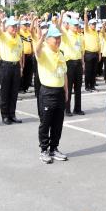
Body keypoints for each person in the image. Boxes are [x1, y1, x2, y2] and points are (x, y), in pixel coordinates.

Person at [32, 18, 69, 163]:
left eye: (59, 38)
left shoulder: (60, 54)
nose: (58, 40)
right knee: (45, 123)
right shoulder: (44, 52)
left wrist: (66, 90)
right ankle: (44, 150)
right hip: (47, 92)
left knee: (58, 123)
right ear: (48, 40)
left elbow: (64, 73)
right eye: (55, 38)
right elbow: (36, 50)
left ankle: (54, 148)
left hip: (59, 92)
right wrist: (41, 37)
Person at [0, 10, 24, 125]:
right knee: (5, 92)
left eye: (16, 26)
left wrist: (21, 67)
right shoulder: (4, 36)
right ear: (7, 27)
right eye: (12, 26)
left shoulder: (18, 38)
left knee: (14, 92)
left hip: (16, 66)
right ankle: (5, 115)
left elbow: (19, 53)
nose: (15, 28)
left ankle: (12, 114)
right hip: (6, 66)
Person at [58, 15, 84, 116]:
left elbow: (81, 51)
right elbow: (59, 27)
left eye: (77, 25)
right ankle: (67, 109)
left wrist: (83, 63)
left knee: (78, 88)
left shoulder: (79, 36)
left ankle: (77, 108)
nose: (77, 27)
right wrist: (61, 15)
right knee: (68, 87)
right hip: (69, 63)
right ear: (70, 26)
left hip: (78, 63)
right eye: (75, 25)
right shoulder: (66, 35)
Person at [83, 18, 101, 92]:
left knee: (94, 71)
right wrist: (85, 14)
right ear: (89, 25)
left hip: (95, 53)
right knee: (88, 71)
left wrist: (99, 54)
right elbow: (85, 23)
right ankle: (87, 86)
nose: (94, 25)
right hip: (89, 53)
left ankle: (92, 85)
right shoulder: (87, 30)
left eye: (95, 24)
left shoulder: (96, 32)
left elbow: (98, 44)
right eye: (93, 24)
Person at [19, 20, 35, 93]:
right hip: (23, 55)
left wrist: (32, 51)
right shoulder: (20, 32)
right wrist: (19, 19)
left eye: (27, 25)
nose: (26, 26)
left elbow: (31, 42)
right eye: (24, 25)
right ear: (21, 25)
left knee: (28, 72)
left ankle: (26, 87)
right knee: (23, 71)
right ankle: (21, 88)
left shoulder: (28, 33)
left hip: (29, 55)